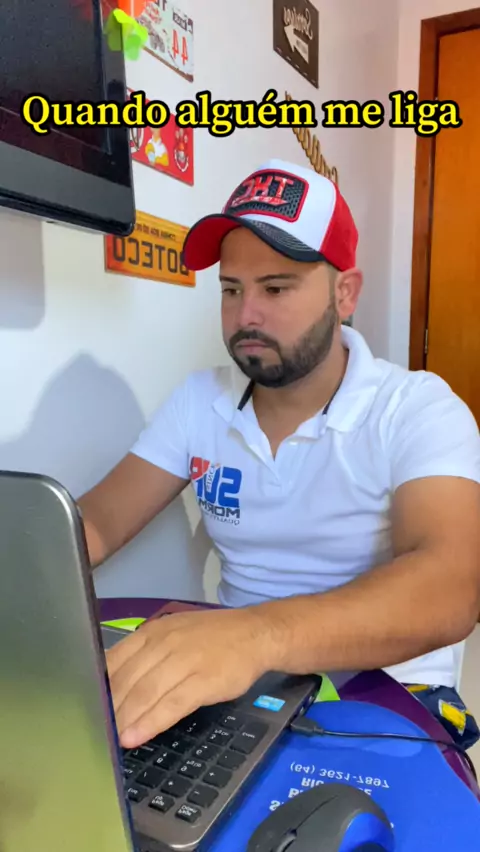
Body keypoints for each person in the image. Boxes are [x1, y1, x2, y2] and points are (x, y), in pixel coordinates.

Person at [79, 158, 480, 753]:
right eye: (231, 289)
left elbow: (451, 586)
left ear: (345, 293)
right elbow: (94, 525)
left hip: (390, 691)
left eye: (275, 288)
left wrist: (256, 636)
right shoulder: (199, 402)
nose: (246, 315)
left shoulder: (417, 407)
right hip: (240, 685)